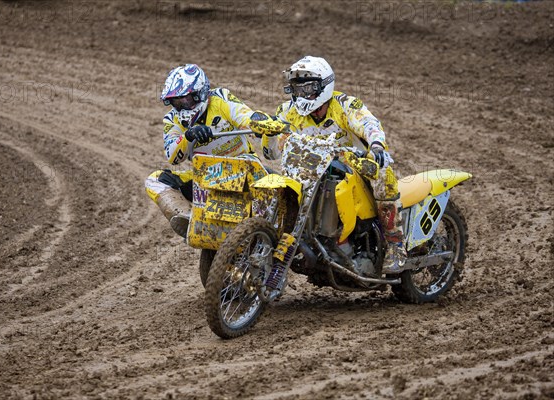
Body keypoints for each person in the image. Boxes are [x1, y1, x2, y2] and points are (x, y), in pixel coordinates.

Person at [249, 56, 406, 273]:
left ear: (323, 86)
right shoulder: (286, 111)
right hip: (306, 170)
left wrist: (377, 144)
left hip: (351, 165)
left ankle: (395, 244)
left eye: (307, 89)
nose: (302, 95)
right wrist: (269, 134)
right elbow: (271, 153)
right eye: (297, 89)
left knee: (382, 174)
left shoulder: (345, 105)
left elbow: (368, 122)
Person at [145, 64, 257, 238]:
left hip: (244, 168)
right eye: (177, 102)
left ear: (201, 93)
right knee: (155, 180)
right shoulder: (172, 119)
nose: (182, 107)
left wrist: (257, 123)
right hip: (206, 178)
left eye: (187, 100)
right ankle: (188, 218)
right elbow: (173, 157)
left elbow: (244, 115)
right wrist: (188, 137)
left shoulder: (220, 98)